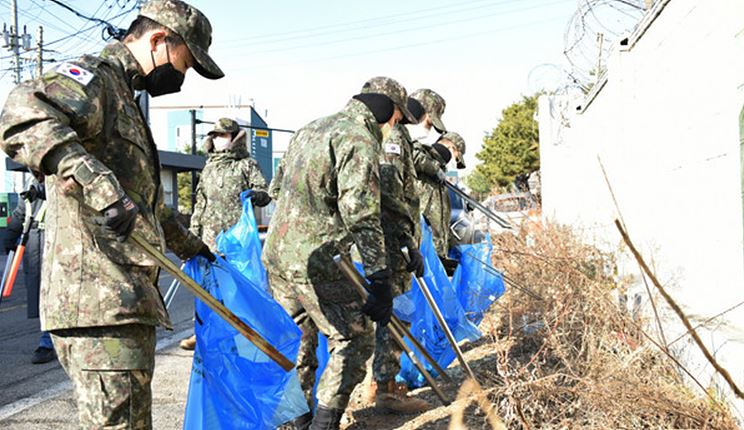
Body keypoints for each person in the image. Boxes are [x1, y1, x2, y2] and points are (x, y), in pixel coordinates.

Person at [0, 1, 222, 428]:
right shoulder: (97, 79)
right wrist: (99, 185)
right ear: (159, 40)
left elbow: (147, 207)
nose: (185, 74)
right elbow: (22, 114)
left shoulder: (125, 97)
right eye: (186, 62)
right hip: (99, 303)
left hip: (124, 303)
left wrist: (197, 250)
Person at [263, 76, 416, 430]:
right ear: (387, 109)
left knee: (295, 340)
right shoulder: (359, 138)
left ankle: (295, 421)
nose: (395, 126)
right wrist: (379, 277)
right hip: (318, 259)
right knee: (353, 338)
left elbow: (275, 187)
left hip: (278, 255)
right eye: (397, 117)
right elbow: (361, 213)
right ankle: (324, 423)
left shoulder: (309, 129)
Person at [179, 117, 271, 351]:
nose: (218, 140)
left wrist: (254, 195)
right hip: (209, 240)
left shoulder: (247, 165)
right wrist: (190, 238)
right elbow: (200, 203)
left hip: (237, 239)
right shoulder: (209, 167)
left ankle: (243, 332)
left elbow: (265, 192)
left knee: (238, 288)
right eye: (216, 135)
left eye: (223, 135)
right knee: (207, 287)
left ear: (235, 138)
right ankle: (202, 332)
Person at [371, 98, 430, 414]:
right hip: (394, 242)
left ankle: (382, 383)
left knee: (394, 315)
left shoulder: (401, 137)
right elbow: (391, 194)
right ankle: (386, 389)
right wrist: (408, 242)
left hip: (398, 238)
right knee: (397, 314)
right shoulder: (393, 137)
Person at [4, 174, 55, 364]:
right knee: (41, 295)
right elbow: (20, 211)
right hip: (34, 242)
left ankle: (48, 342)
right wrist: (11, 234)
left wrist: (43, 191)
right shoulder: (33, 181)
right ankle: (47, 339)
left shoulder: (62, 173)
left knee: (56, 294)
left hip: (59, 242)